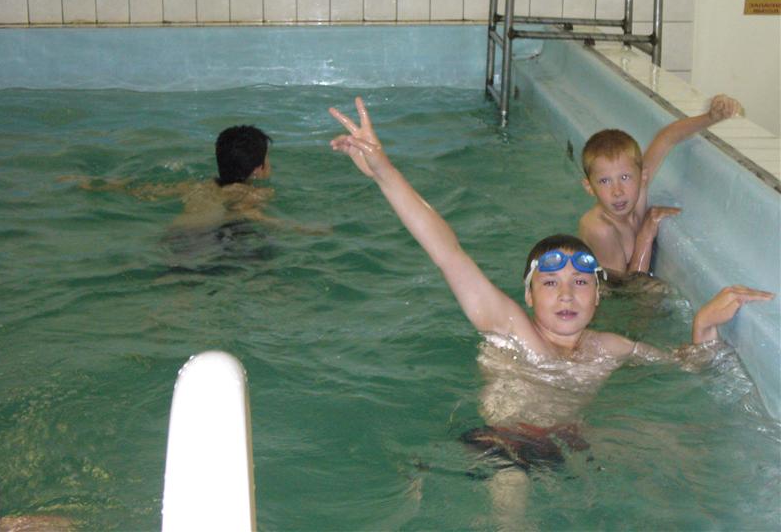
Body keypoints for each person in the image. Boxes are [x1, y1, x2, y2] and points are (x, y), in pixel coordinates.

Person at [329, 97, 771, 511]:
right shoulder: (512, 329)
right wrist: (384, 171)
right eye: (550, 283)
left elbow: (685, 365)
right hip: (501, 447)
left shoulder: (609, 347)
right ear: (528, 295)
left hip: (567, 446)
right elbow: (447, 252)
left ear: (597, 296)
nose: (566, 294)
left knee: (682, 447)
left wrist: (703, 326)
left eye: (580, 282)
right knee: (513, 499)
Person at [578, 94, 743, 278]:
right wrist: (646, 234)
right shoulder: (601, 229)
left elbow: (667, 137)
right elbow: (624, 288)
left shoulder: (637, 190)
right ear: (589, 187)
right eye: (604, 181)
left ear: (642, 176)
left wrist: (712, 117)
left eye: (624, 177)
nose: (617, 191)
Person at [61, 125, 277, 231]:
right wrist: (294, 228)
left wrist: (94, 183)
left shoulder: (198, 186)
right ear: (258, 170)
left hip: (174, 238)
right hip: (205, 241)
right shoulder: (250, 194)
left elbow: (145, 190)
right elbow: (251, 214)